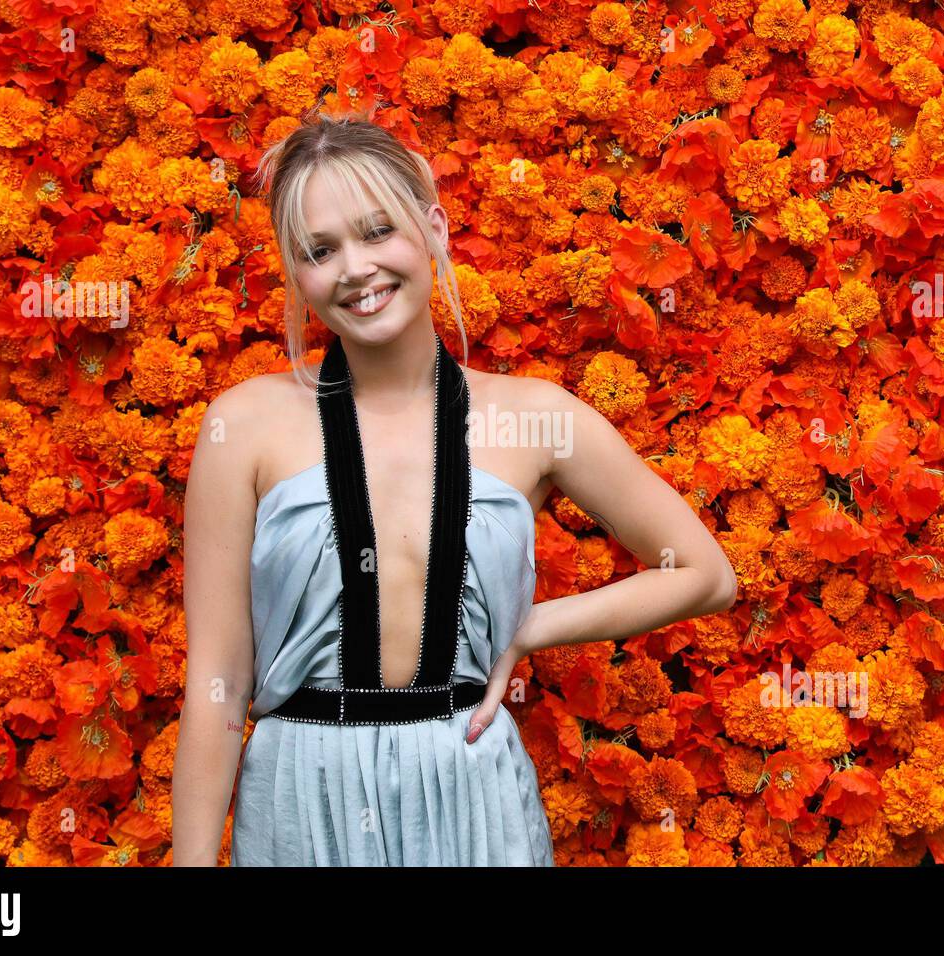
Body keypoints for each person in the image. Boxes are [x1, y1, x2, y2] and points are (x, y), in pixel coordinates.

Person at [171, 109, 738, 866]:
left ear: (434, 229)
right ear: (296, 272)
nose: (356, 269)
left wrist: (533, 629)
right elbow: (217, 682)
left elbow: (706, 574)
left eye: (379, 231)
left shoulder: (535, 417)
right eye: (321, 250)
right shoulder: (242, 426)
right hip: (300, 797)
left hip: (470, 790)